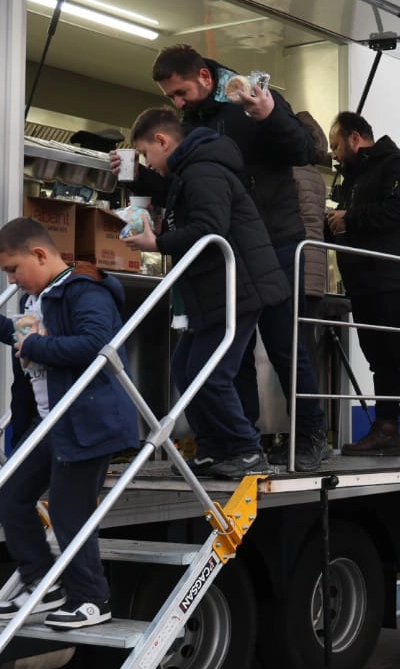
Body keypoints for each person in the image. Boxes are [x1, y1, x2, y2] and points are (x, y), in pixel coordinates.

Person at [125, 45, 329, 471]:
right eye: (172, 98)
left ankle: (311, 436)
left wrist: (269, 113)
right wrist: (142, 176)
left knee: (285, 347)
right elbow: (192, 194)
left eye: (181, 92)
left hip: (275, 238)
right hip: (231, 245)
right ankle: (242, 442)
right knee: (231, 358)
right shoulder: (191, 127)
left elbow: (304, 153)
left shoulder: (249, 97)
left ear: (203, 75)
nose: (178, 103)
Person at [0, 218, 139, 629]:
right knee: (10, 498)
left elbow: (96, 344)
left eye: (13, 269)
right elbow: (18, 334)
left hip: (88, 423)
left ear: (39, 254)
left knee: (71, 513)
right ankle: (43, 584)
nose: (12, 281)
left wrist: (35, 346)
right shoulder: (36, 299)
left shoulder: (85, 290)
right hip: (51, 423)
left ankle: (92, 599)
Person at [123, 108, 289, 479]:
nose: (148, 164)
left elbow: (209, 227)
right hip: (222, 288)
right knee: (186, 368)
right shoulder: (195, 169)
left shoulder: (203, 170)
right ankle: (215, 448)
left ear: (163, 141)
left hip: (238, 286)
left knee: (209, 372)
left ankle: (245, 450)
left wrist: (158, 242)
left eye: (147, 154)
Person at [326, 111, 400, 460]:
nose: (333, 154)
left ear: (354, 138)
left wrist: (349, 217)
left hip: (399, 278)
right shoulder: (352, 179)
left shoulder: (397, 165)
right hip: (363, 282)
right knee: (380, 358)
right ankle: (386, 429)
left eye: (336, 145)